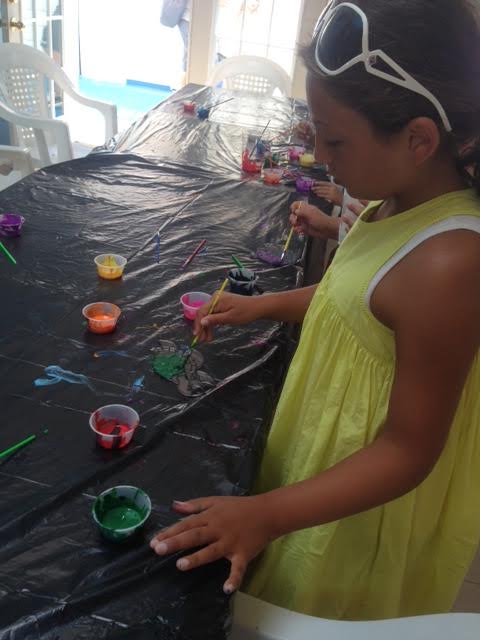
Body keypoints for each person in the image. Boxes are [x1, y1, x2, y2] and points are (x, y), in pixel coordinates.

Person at [150, 0, 480, 621]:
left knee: (313, 605)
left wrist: (267, 514)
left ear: (418, 139)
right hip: (328, 458)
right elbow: (354, 301)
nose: (321, 154)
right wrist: (261, 306)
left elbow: (409, 450)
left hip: (363, 502)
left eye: (334, 138)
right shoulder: (397, 197)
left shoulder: (450, 263)